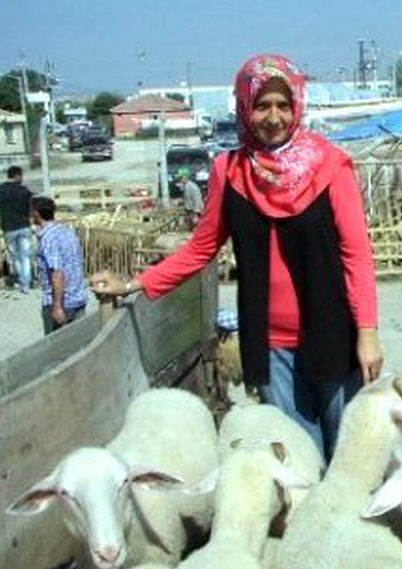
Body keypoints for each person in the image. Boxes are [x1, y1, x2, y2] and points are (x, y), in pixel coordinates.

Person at [90, 53, 384, 460]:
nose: (274, 117)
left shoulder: (331, 167)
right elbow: (200, 248)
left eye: (283, 105)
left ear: (297, 104)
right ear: (244, 107)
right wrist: (134, 283)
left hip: (335, 336)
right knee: (297, 461)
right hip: (269, 345)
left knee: (348, 457)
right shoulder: (229, 171)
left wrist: (367, 334)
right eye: (262, 105)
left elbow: (357, 255)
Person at [30, 196, 88, 334]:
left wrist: (57, 306)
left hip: (62, 302)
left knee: (56, 350)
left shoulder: (48, 239)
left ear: (36, 214)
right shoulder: (66, 231)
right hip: (78, 298)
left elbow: (57, 273)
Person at [0, 165, 34, 293]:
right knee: (25, 256)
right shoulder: (24, 190)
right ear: (17, 175)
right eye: (21, 175)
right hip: (24, 226)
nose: (22, 178)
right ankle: (26, 283)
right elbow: (30, 207)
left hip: (8, 227)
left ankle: (21, 281)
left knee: (15, 257)